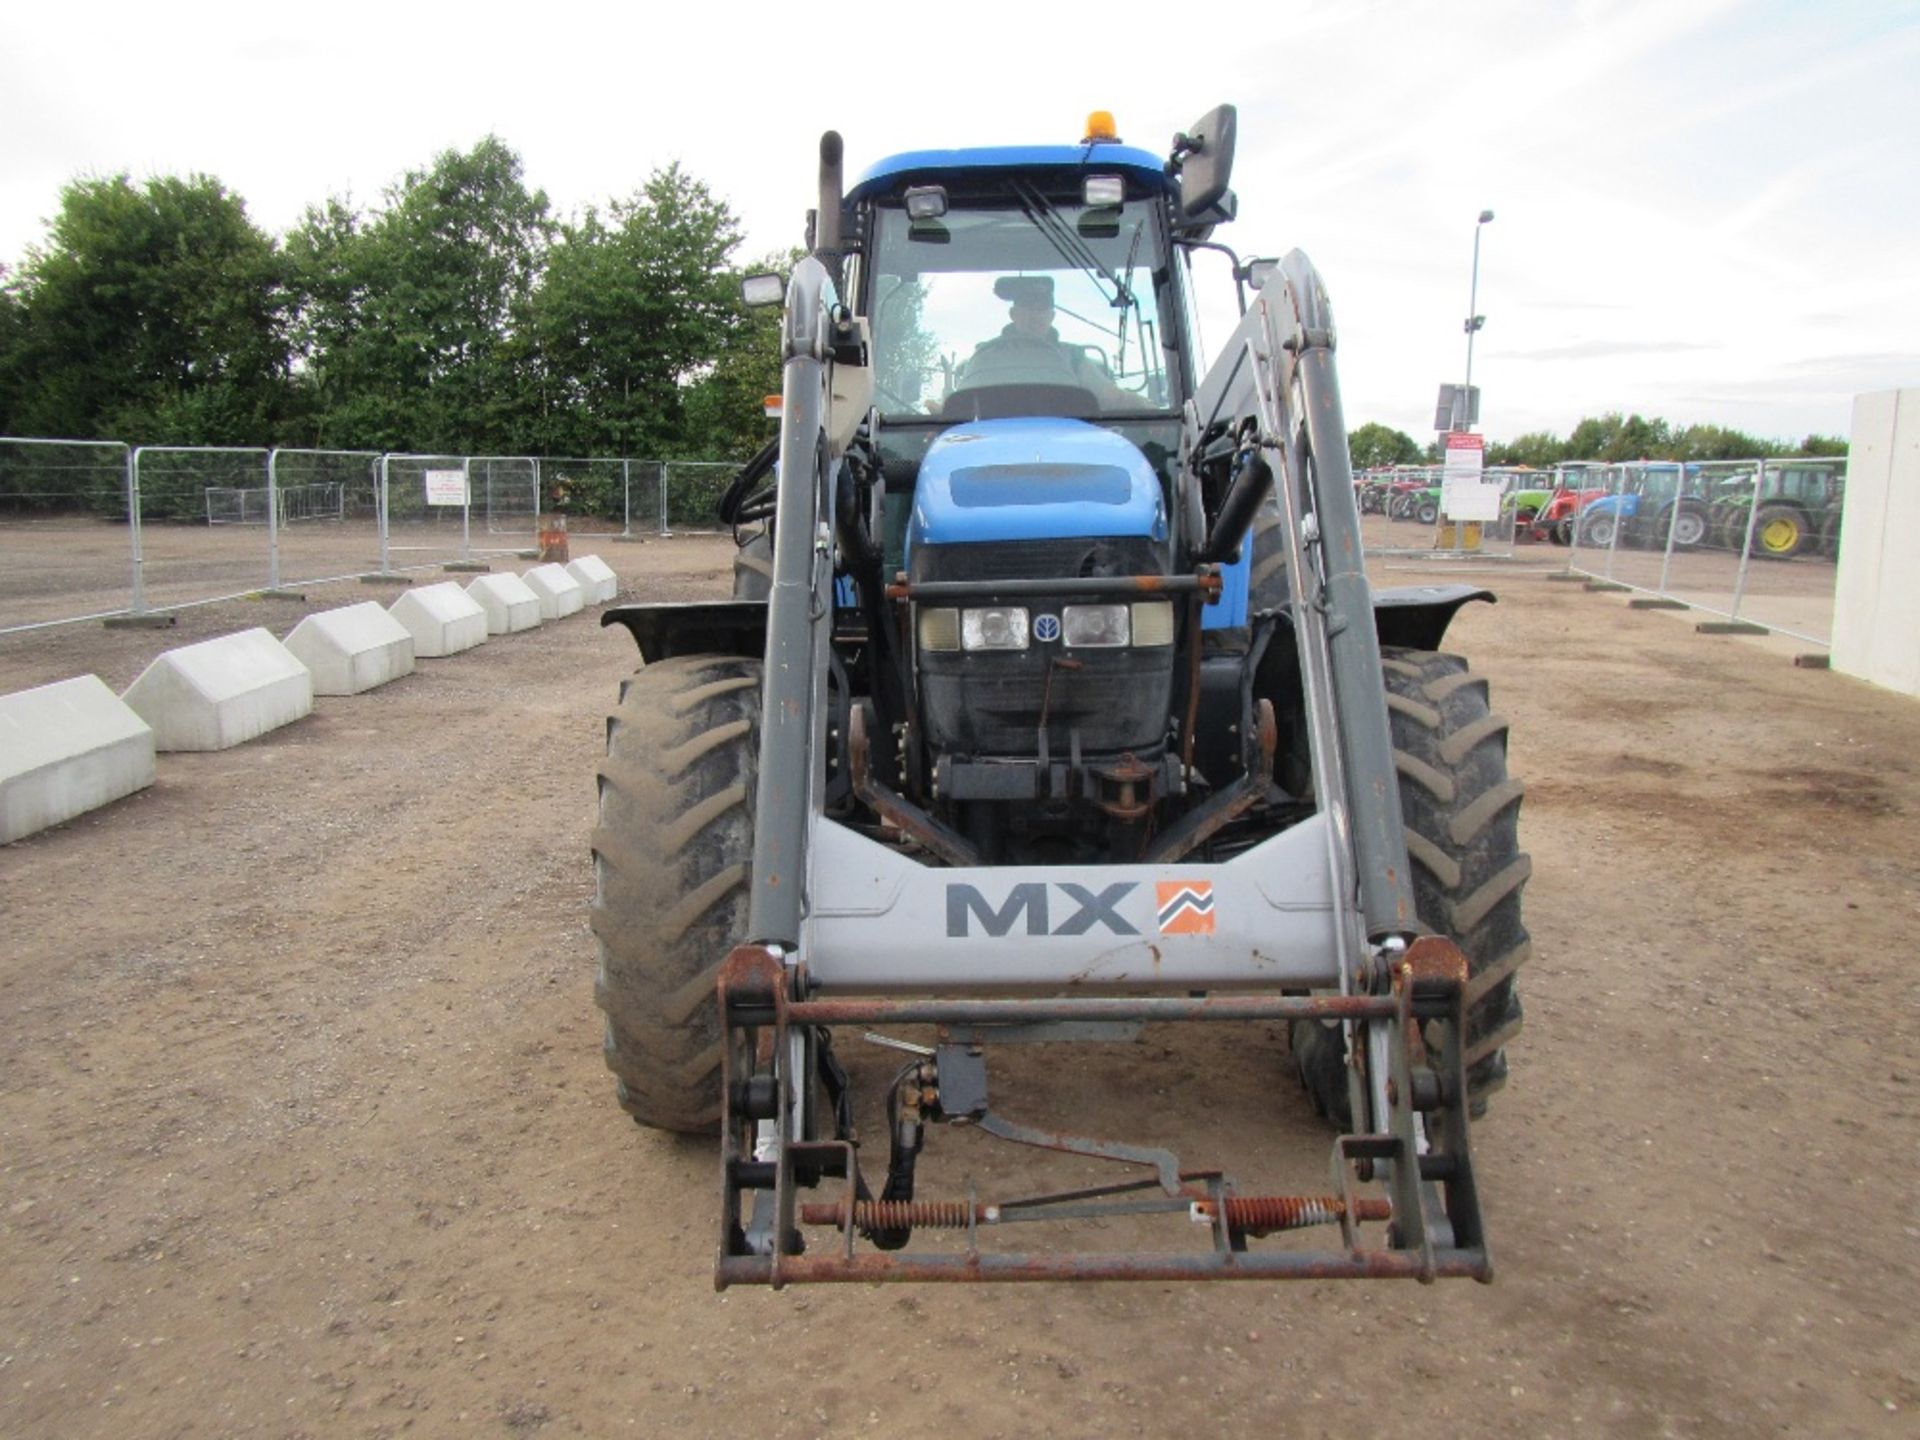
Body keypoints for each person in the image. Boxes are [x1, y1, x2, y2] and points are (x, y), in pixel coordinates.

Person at [951, 276, 1126, 407]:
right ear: (1013, 314)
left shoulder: (1074, 358)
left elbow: (1111, 396)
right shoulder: (986, 355)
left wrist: (1149, 409)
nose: (1035, 315)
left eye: (1042, 308)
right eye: (1028, 307)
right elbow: (959, 406)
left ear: (1052, 316)